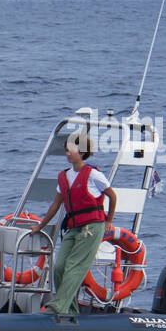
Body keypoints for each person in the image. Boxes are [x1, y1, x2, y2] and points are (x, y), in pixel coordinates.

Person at [31, 131, 118, 315]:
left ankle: (58, 306)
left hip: (92, 227)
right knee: (60, 266)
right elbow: (56, 204)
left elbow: (112, 195)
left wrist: (109, 220)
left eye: (70, 150)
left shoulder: (93, 175)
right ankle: (70, 309)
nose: (67, 154)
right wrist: (40, 225)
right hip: (73, 227)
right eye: (67, 150)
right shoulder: (64, 176)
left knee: (74, 266)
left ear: (82, 152)